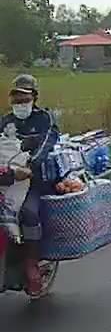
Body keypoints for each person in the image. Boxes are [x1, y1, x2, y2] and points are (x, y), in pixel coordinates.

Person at [0, 74, 60, 293]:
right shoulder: (5, 121)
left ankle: (31, 264)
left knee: (28, 213)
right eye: (16, 98)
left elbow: (47, 143)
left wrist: (30, 166)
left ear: (34, 98)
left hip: (32, 181)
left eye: (24, 98)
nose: (20, 103)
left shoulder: (44, 119)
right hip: (6, 178)